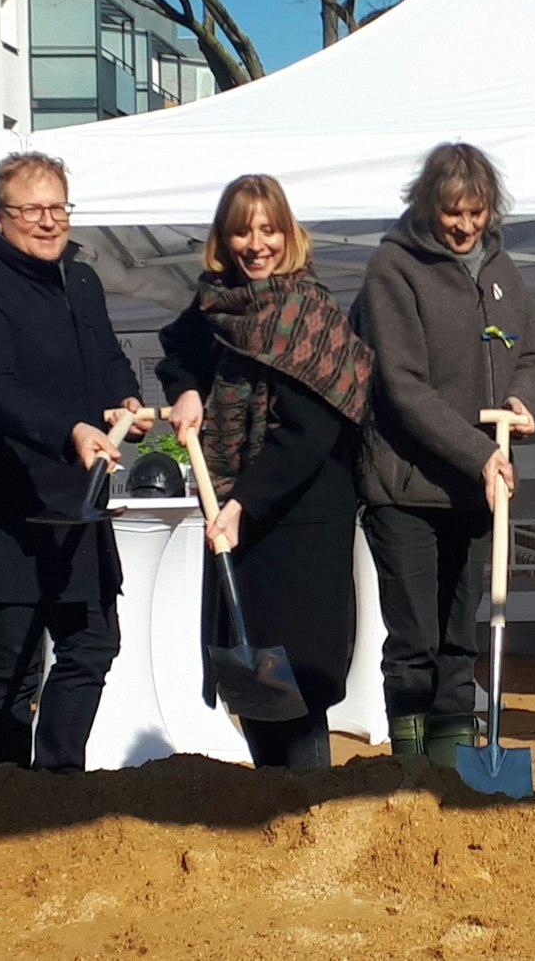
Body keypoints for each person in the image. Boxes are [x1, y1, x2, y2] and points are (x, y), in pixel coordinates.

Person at [0, 152, 147, 773]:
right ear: (0, 217)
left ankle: (56, 783)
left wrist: (125, 396)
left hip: (75, 508)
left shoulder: (80, 280)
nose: (49, 222)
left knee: (92, 645)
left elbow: (106, 357)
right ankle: (4, 800)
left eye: (59, 208)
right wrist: (70, 430)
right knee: (9, 670)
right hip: (3, 513)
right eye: (32, 210)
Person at [159, 174, 372, 769]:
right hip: (242, 523)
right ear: (223, 240)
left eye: (268, 229)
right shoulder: (215, 303)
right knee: (253, 680)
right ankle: (269, 804)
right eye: (241, 231)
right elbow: (178, 351)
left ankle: (310, 809)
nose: (256, 244)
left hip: (300, 521)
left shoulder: (312, 314)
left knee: (297, 685)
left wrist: (239, 503)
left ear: (287, 233)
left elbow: (310, 433)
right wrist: (187, 391)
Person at [351, 144, 535, 766]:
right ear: (427, 205)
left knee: (462, 634)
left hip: (474, 488)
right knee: (415, 637)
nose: (465, 226)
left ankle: (457, 763)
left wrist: (523, 399)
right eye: (452, 212)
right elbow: (402, 385)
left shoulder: (501, 269)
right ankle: (410, 772)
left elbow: (533, 357)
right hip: (405, 485)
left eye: (476, 212)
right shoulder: (394, 268)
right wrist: (478, 452)